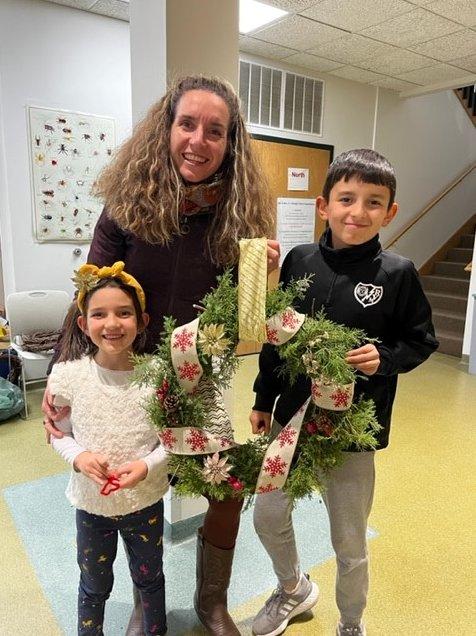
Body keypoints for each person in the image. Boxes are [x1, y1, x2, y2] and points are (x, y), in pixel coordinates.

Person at [43, 74, 279, 636]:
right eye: (187, 124)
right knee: (126, 492)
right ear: (166, 129)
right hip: (126, 382)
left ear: (230, 144)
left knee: (228, 486)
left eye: (215, 131)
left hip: (194, 384)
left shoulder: (239, 218)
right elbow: (91, 297)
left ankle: (211, 602)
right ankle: (147, 601)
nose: (198, 140)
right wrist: (59, 388)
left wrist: (262, 278)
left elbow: (246, 325)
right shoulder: (126, 207)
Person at [249, 149, 439, 636]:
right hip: (291, 420)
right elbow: (278, 334)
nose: (358, 212)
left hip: (351, 432)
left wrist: (386, 359)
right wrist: (261, 396)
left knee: (349, 540)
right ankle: (292, 588)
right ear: (323, 205)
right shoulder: (298, 260)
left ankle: (351, 622)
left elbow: (420, 340)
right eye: (346, 199)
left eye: (373, 202)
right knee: (267, 513)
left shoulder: (396, 273)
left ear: (390, 212)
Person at [49, 262, 169, 636]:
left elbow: (172, 438)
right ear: (84, 324)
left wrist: (148, 465)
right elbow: (57, 432)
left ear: (142, 320)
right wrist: (79, 457)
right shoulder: (68, 375)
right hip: (92, 506)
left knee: (150, 578)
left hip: (145, 502)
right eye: (99, 314)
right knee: (94, 583)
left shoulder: (159, 374)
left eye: (124, 313)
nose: (112, 323)